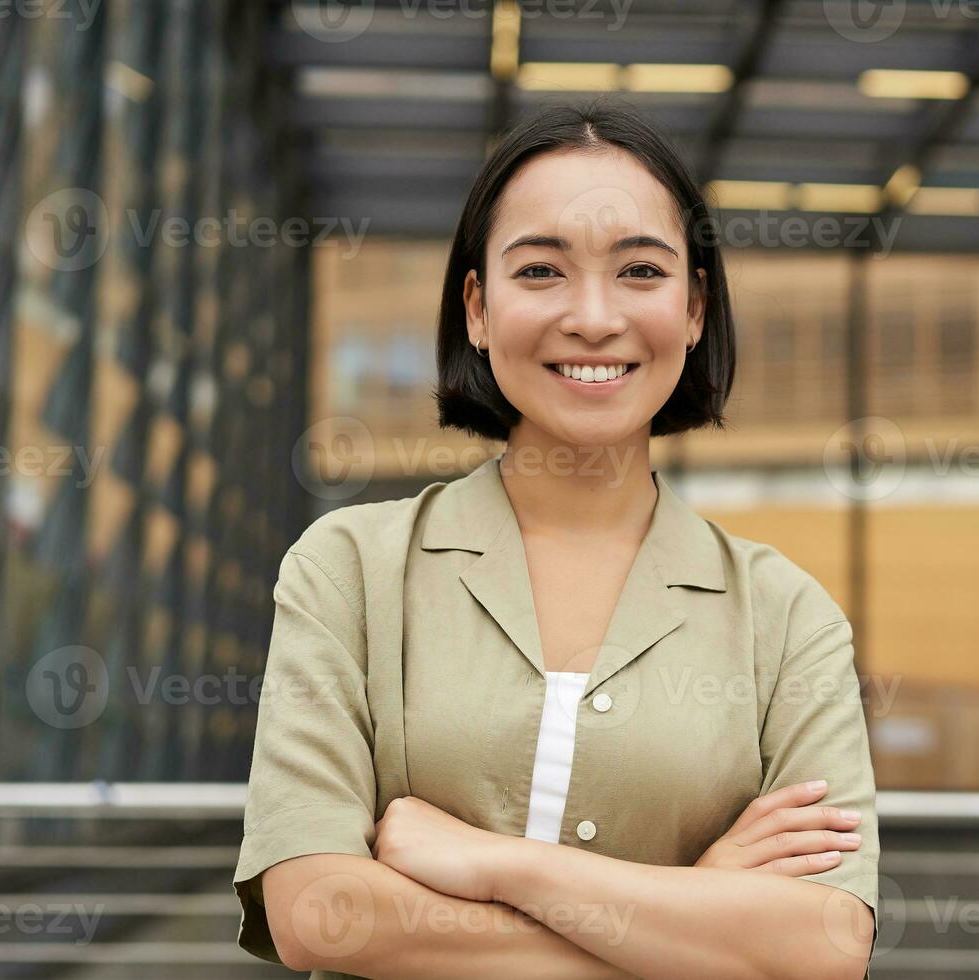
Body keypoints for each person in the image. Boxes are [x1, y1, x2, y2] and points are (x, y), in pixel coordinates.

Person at [232, 96, 880, 980]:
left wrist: (503, 866)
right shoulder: (349, 571)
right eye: (541, 271)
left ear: (694, 310)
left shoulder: (786, 615)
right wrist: (698, 908)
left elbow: (828, 946)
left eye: (641, 272)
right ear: (478, 308)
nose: (593, 316)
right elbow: (321, 913)